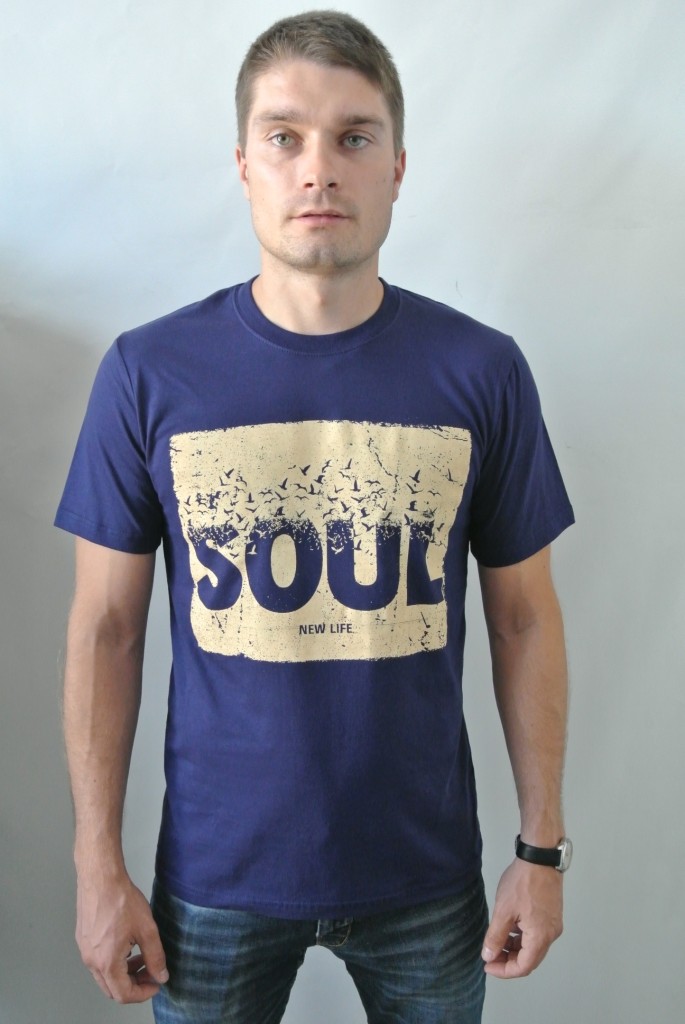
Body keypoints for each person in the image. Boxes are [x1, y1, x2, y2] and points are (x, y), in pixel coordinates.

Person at [56, 10, 574, 1024]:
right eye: (285, 137)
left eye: (354, 137)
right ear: (243, 164)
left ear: (397, 167)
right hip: (213, 880)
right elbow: (105, 629)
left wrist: (541, 849)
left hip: (425, 878)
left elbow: (523, 619)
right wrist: (96, 865)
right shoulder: (148, 373)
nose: (319, 170)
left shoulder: (480, 371)